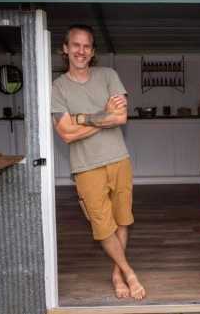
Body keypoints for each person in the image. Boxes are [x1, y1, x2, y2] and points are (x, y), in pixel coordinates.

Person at [51, 25, 145, 300]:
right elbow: (66, 135)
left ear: (93, 51)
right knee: (103, 225)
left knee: (122, 219)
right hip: (85, 166)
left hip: (119, 159)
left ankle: (116, 274)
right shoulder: (57, 88)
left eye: (87, 46)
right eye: (76, 45)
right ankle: (129, 272)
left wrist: (81, 118)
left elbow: (120, 118)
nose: (81, 51)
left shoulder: (108, 75)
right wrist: (103, 116)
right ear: (65, 49)